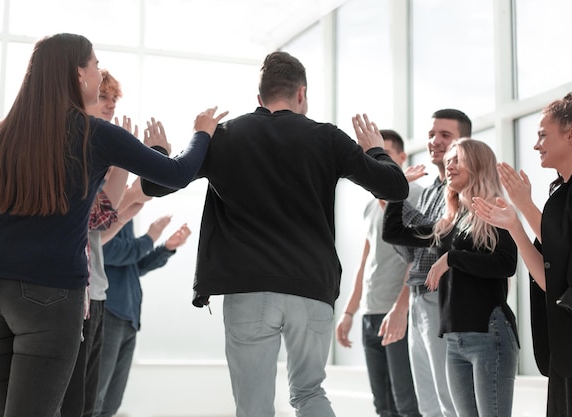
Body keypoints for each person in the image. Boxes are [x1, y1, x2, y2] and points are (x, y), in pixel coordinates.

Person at [142, 51, 409, 417]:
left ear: (258, 98)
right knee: (309, 394)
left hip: (248, 289)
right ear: (301, 94)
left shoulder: (224, 136)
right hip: (311, 288)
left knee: (253, 407)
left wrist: (162, 150)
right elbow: (395, 187)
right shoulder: (326, 138)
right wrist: (376, 149)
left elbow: (155, 185)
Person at [0, 33, 226, 417]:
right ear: (79, 74)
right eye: (96, 65)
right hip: (48, 294)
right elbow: (177, 173)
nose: (100, 75)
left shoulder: (0, 135)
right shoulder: (92, 133)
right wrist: (202, 131)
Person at [472, 92, 572, 417]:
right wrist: (515, 226)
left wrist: (525, 206)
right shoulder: (560, 194)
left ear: (571, 133)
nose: (536, 144)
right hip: (569, 352)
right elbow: (552, 277)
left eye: (542, 134)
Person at [384, 138, 519, 417]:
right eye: (449, 160)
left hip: (489, 335)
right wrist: (398, 189)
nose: (449, 163)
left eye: (457, 159)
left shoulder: (494, 209)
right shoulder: (450, 220)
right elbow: (394, 232)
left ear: (477, 164)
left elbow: (506, 263)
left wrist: (451, 258)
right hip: (455, 341)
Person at [385, 109, 471, 417]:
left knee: (450, 402)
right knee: (428, 403)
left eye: (445, 135)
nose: (434, 141)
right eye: (432, 134)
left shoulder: (463, 191)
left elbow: (439, 241)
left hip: (443, 299)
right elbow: (413, 254)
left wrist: (396, 202)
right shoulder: (429, 191)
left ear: (463, 142)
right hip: (420, 299)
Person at [61, 68, 134, 417]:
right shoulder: (77, 150)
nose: (108, 105)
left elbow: (99, 231)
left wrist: (133, 202)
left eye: (113, 99)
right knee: (78, 402)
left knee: (88, 402)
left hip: (96, 293)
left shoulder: (99, 151)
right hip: (75, 293)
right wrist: (125, 166)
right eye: (102, 97)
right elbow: (102, 216)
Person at [335, 129, 422, 417]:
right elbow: (365, 261)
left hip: (398, 314)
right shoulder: (371, 206)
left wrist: (401, 308)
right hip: (370, 315)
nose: (379, 162)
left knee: (407, 405)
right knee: (382, 407)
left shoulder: (417, 195)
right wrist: (349, 312)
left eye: (385, 155)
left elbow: (420, 256)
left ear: (401, 157)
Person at [93, 181, 191, 417]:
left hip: (128, 318)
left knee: (111, 404)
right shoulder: (99, 195)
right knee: (95, 401)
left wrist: (165, 248)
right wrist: (149, 238)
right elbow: (103, 249)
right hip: (108, 312)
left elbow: (133, 266)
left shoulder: (119, 205)